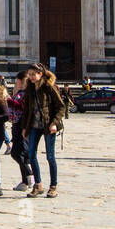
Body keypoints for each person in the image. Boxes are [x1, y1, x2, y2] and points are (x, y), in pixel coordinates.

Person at [23, 64, 66, 196]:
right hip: (34, 126)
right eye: (29, 74)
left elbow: (61, 107)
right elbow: (27, 110)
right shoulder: (30, 88)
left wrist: (54, 123)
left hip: (48, 126)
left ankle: (53, 186)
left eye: (33, 74)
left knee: (50, 157)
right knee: (31, 155)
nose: (30, 77)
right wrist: (25, 127)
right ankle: (38, 185)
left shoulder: (49, 87)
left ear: (40, 74)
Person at [7, 71, 33, 190]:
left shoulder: (27, 93)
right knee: (20, 154)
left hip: (22, 126)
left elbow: (22, 107)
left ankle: (30, 175)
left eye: (17, 80)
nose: (16, 81)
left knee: (17, 153)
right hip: (16, 125)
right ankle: (25, 181)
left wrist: (8, 99)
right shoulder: (20, 92)